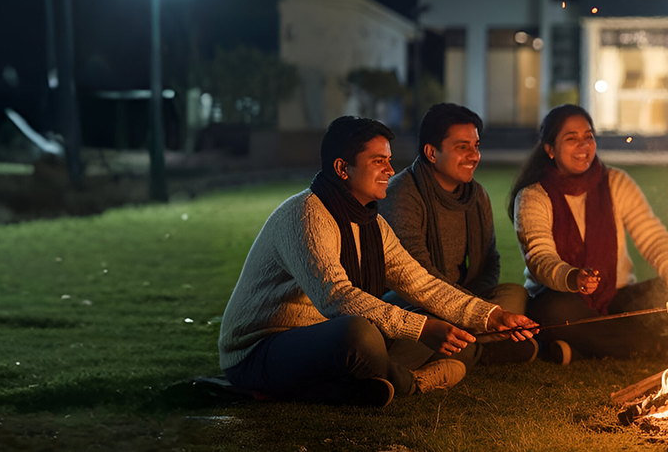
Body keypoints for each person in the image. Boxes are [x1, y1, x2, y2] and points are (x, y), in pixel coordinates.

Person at [218, 116, 536, 407]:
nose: (389, 170)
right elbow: (337, 298)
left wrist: (490, 316)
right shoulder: (307, 215)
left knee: (453, 333)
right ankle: (405, 382)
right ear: (343, 169)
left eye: (389, 160)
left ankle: (366, 382)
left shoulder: (371, 223)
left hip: (328, 337)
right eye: (378, 161)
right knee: (358, 333)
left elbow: (421, 283)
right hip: (261, 349)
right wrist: (421, 327)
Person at [509, 105, 668, 362]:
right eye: (571, 139)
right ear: (549, 149)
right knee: (553, 313)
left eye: (588, 137)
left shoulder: (616, 182)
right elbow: (539, 257)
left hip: (617, 295)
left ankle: (581, 348)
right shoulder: (533, 197)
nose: (583, 146)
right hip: (563, 296)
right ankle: (652, 345)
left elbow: (653, 237)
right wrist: (574, 277)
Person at [378, 103, 535, 364]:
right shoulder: (402, 194)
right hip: (414, 298)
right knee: (428, 319)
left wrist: (477, 308)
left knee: (515, 295)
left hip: (465, 295)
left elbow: (489, 262)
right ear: (431, 152)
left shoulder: (477, 195)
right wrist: (480, 314)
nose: (474, 156)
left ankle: (466, 345)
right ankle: (479, 348)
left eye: (476, 146)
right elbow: (417, 276)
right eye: (462, 147)